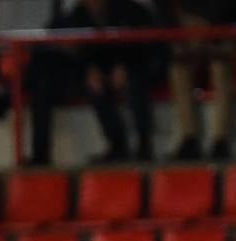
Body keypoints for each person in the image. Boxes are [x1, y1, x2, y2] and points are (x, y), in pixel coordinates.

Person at [25, 0, 156, 165]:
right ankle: (118, 145)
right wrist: (88, 68)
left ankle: (144, 146)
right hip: (96, 70)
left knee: (135, 80)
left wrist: (124, 64)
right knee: (93, 85)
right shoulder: (76, 15)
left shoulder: (132, 10)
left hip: (135, 67)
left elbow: (147, 44)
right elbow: (56, 40)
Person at [168, 0, 235, 160]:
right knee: (178, 68)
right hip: (191, 21)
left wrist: (213, 32)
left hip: (222, 23)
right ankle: (189, 137)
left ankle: (221, 140)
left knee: (221, 67)